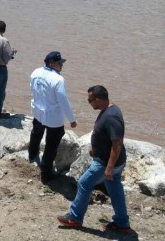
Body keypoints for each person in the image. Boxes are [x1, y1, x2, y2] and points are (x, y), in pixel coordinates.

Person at [57, 85, 131, 234]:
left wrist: (109, 167)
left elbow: (117, 144)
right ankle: (122, 223)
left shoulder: (111, 117)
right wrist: (94, 149)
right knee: (114, 189)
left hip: (105, 163)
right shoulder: (109, 110)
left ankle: (75, 218)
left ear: (98, 99)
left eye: (90, 100)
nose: (89, 102)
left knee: (84, 183)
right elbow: (106, 137)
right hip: (108, 160)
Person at [28, 51, 77, 183]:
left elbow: (32, 89)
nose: (62, 65)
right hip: (53, 117)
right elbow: (63, 101)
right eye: (59, 63)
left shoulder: (35, 72)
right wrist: (72, 119)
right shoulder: (58, 80)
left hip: (38, 111)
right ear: (52, 64)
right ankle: (46, 173)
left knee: (36, 133)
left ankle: (32, 155)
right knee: (51, 144)